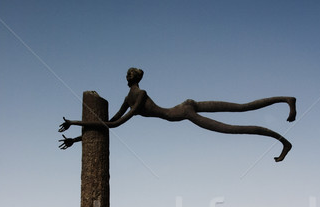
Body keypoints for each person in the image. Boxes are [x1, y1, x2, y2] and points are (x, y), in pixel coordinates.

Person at [59, 67, 296, 162]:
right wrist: (78, 138)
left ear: (135, 78)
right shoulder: (128, 99)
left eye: (129, 75)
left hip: (184, 113)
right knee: (241, 110)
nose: (126, 77)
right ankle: (284, 127)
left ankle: (285, 119)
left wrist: (73, 121)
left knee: (235, 125)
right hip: (186, 105)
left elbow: (116, 124)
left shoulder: (140, 96)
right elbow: (107, 123)